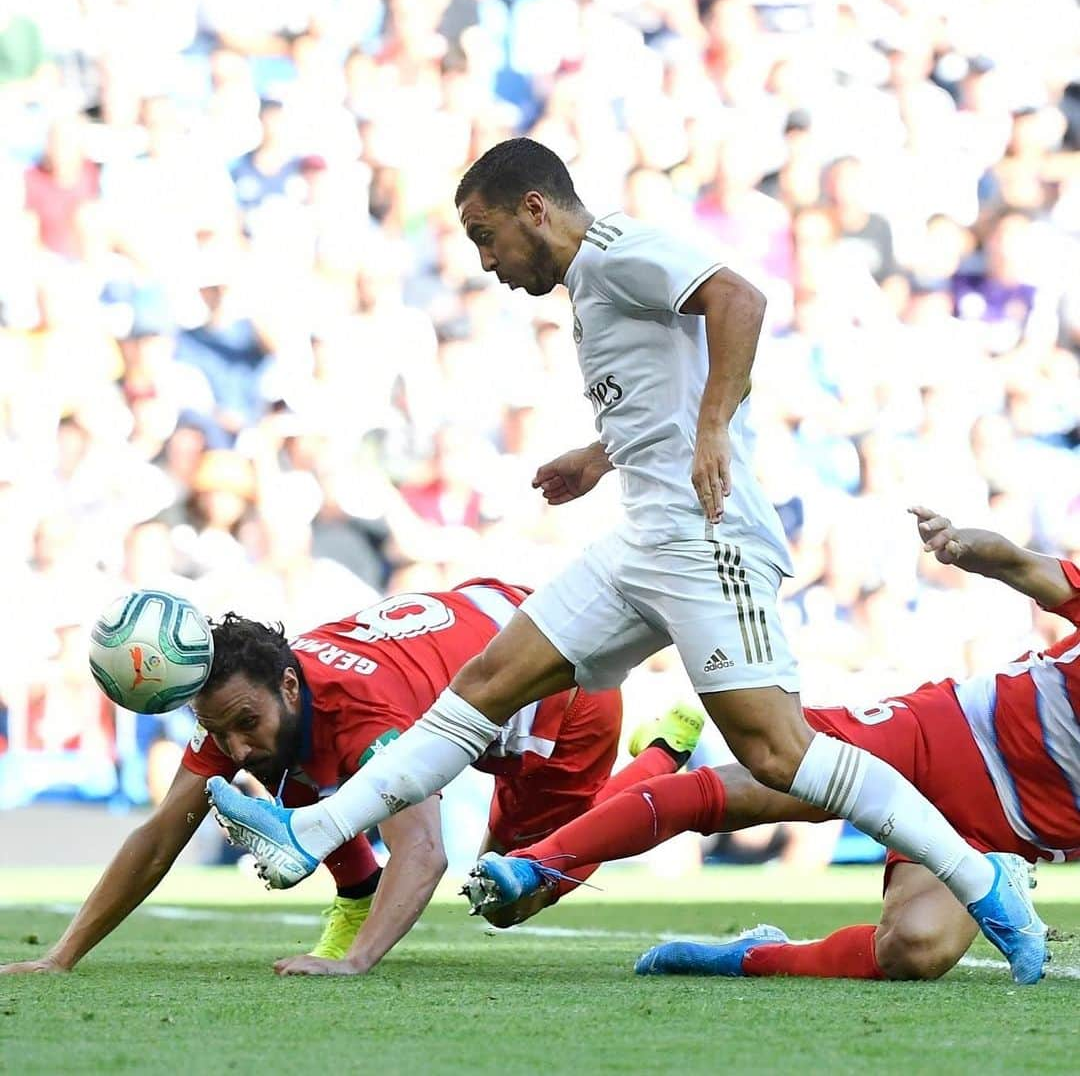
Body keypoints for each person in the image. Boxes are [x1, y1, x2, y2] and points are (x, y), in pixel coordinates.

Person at [205, 138, 1047, 984]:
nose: (485, 259)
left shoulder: (617, 252)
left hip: (707, 538)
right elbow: (661, 392)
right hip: (643, 539)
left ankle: (986, 885)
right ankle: (310, 832)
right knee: (485, 684)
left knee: (780, 755)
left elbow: (740, 299)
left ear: (535, 208)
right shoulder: (591, 285)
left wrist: (715, 426)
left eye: (485, 234)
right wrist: (600, 454)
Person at [465, 508, 1079, 982]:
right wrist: (974, 550)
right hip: (949, 737)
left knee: (916, 951)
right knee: (751, 786)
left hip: (1005, 834)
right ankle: (533, 864)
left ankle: (753, 954)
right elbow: (1027, 568)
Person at [0, 577, 698, 977]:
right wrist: (61, 957)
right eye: (220, 732)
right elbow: (159, 837)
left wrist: (355, 964)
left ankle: (663, 752)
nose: (234, 747)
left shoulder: (359, 714)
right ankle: (357, 888)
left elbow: (425, 852)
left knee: (514, 892)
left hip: (557, 691)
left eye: (244, 723)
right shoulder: (249, 697)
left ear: (290, 687)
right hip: (475, 632)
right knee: (287, 763)